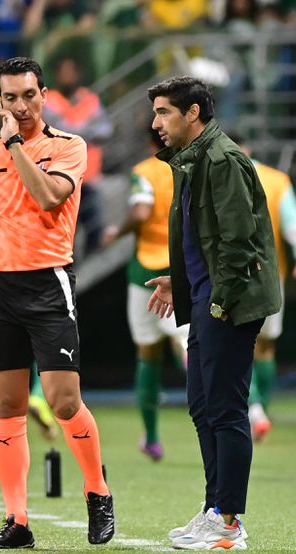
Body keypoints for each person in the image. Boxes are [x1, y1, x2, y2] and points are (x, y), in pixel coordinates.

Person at [0, 57, 114, 549]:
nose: (21, 106)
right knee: (7, 405)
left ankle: (97, 490)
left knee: (64, 401)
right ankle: (17, 520)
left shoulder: (69, 146)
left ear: (44, 95)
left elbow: (47, 197)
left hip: (49, 284)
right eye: (11, 97)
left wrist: (14, 145)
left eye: (28, 95)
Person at [145, 76, 281, 551]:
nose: (156, 123)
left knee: (226, 408)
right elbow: (205, 237)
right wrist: (180, 280)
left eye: (164, 112)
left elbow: (238, 242)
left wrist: (220, 301)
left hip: (228, 301)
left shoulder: (222, 159)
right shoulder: (191, 158)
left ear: (193, 113)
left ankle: (229, 523)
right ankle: (212, 510)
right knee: (203, 406)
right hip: (206, 295)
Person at [101, 128, 190, 462]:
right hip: (182, 266)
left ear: (150, 143)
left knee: (147, 351)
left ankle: (152, 437)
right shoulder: (188, 168)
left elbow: (140, 211)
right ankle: (191, 361)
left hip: (146, 272)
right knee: (187, 339)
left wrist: (116, 231)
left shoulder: (144, 172)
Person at [236, 141, 296, 442]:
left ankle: (255, 411)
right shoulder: (275, 180)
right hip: (270, 274)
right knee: (266, 346)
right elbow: (293, 220)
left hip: (232, 274)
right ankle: (261, 413)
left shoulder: (216, 175)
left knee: (239, 345)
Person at [43, 55, 113, 256]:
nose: (68, 77)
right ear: (57, 75)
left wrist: (74, 132)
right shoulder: (49, 100)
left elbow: (105, 130)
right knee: (64, 232)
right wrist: (87, 129)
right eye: (63, 72)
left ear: (77, 74)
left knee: (93, 229)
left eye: (71, 72)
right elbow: (56, 131)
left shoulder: (89, 98)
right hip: (61, 178)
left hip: (89, 177)